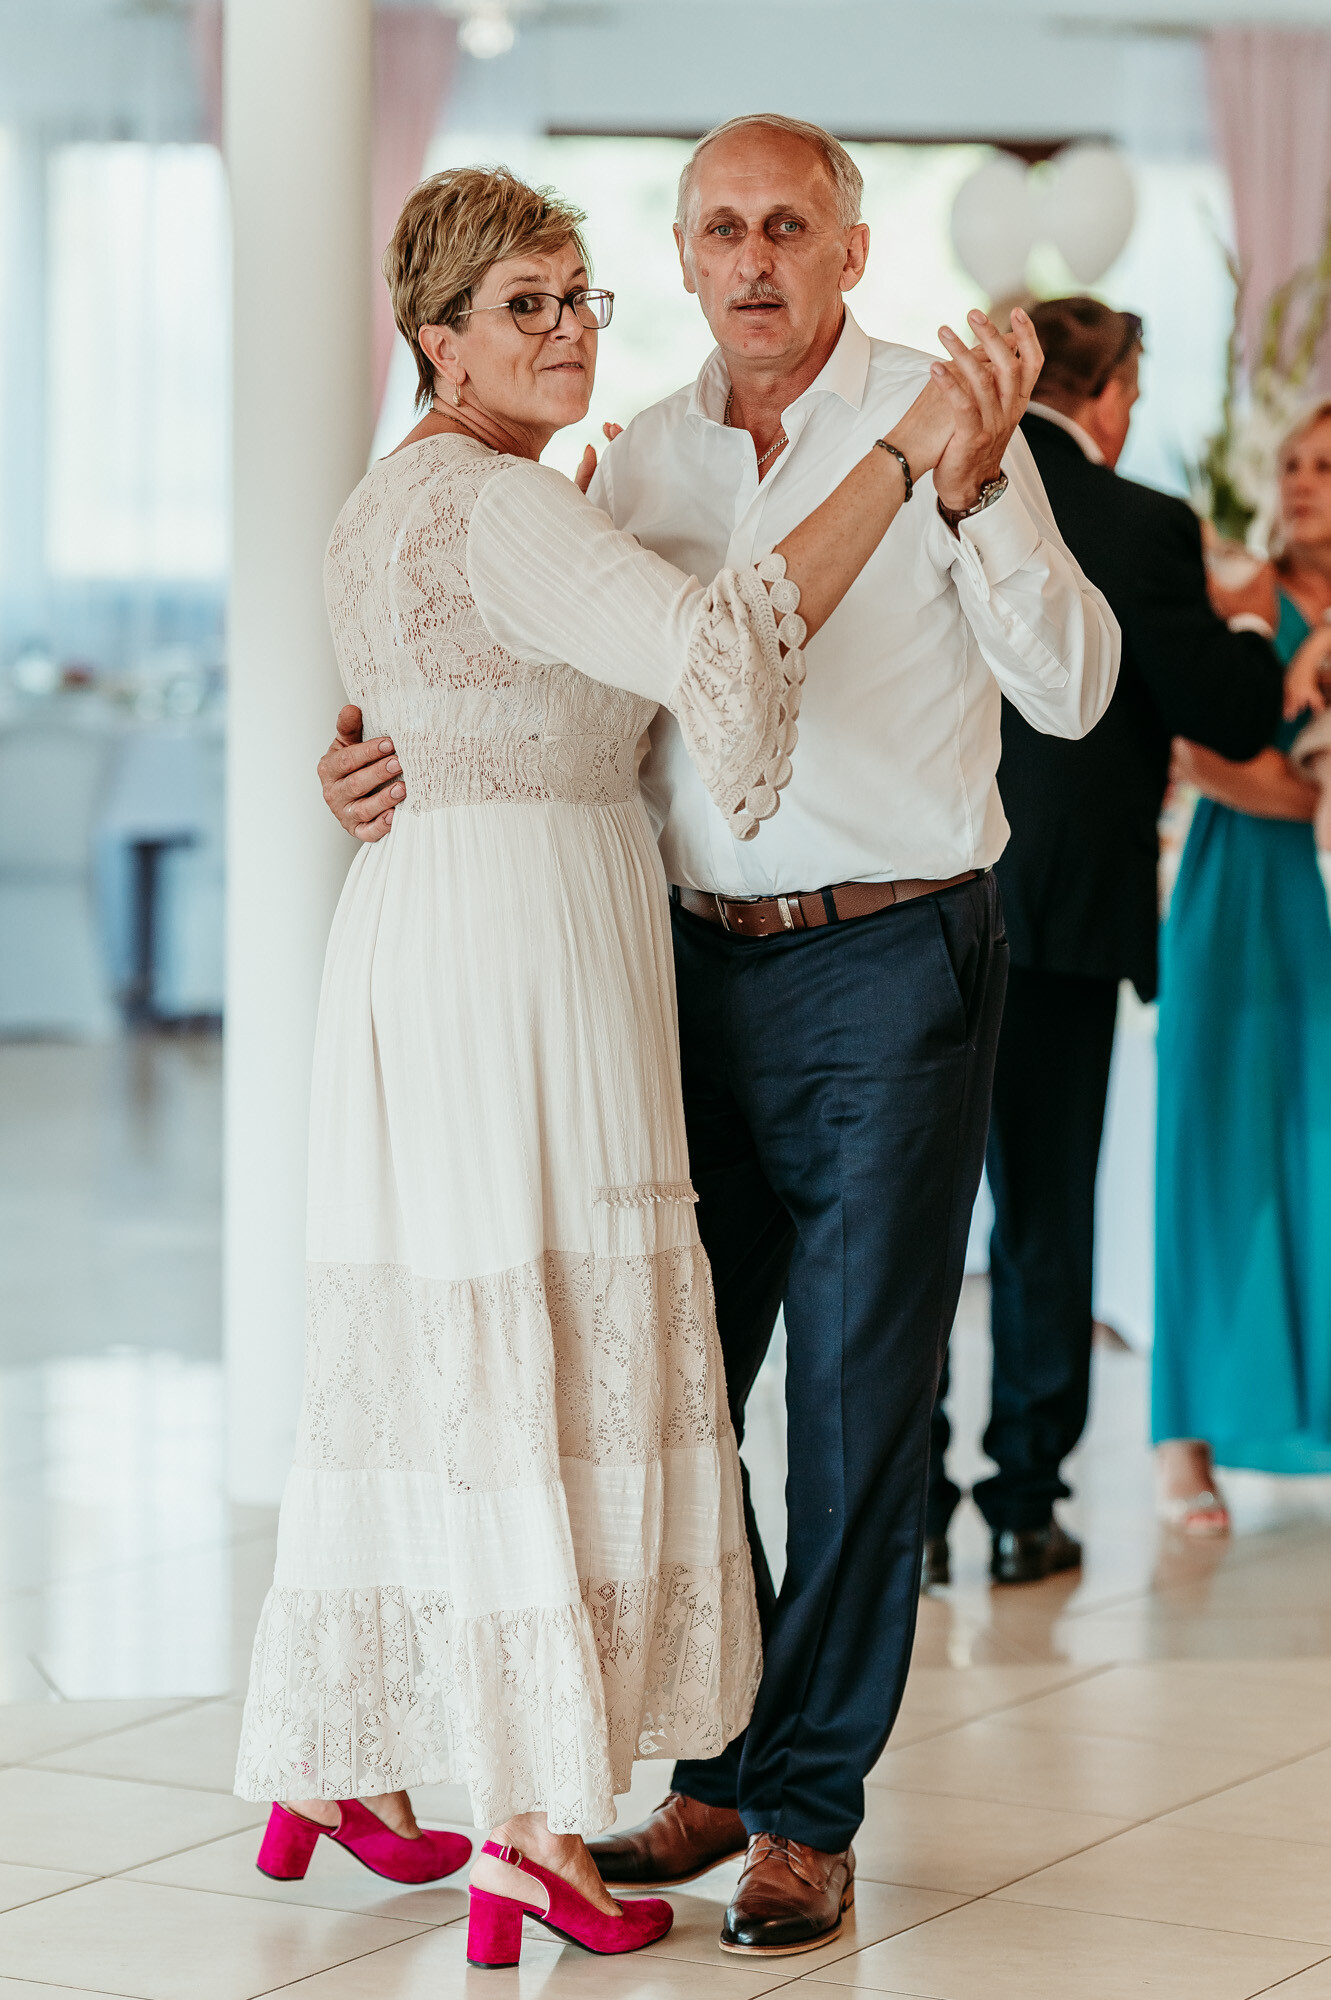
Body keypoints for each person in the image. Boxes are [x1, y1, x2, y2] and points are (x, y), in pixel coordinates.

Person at [320, 115, 1116, 1959]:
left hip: (890, 962)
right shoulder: (633, 459)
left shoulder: (940, 419)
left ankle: (803, 1814)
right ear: (681, 260)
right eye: (717, 229)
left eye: (786, 224)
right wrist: (377, 760)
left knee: (850, 1406)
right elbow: (560, 676)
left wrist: (978, 494)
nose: (751, 257)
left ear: (850, 248)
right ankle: (722, 1754)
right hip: (671, 969)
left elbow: (1073, 692)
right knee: (668, 1377)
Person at [925, 297, 1284, 1581]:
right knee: (1042, 1217)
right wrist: (1253, 623)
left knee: (911, 1226)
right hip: (1061, 917)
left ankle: (908, 1514)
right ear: (1113, 392)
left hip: (917, 906)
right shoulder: (1140, 523)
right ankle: (1025, 1505)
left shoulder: (925, 481)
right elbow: (1229, 710)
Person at [1154, 399, 1331, 1522]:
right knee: (1210, 1146)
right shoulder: (1235, 593)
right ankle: (1181, 1440)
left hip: (1317, 898)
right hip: (1236, 885)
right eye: (1292, 464)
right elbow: (1192, 746)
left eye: (1324, 466)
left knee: (1318, 1149)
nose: (1300, 481)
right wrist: (1307, 801)